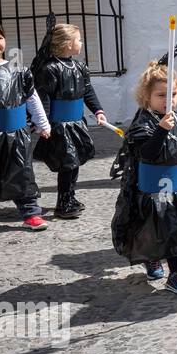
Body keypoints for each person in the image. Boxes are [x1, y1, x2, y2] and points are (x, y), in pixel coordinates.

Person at [110, 56, 177, 293]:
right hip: (150, 190)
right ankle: (176, 273)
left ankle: (155, 257)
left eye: (172, 94)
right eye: (161, 95)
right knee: (160, 227)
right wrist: (161, 131)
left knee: (169, 227)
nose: (167, 100)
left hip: (175, 189)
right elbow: (148, 152)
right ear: (146, 97)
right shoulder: (144, 124)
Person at [0, 18, 50, 231]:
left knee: (21, 171)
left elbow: (31, 98)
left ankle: (31, 212)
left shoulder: (18, 70)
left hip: (15, 134)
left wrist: (42, 122)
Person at [30, 18, 108, 219]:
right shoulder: (49, 69)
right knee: (68, 163)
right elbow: (43, 98)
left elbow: (88, 91)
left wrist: (98, 110)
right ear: (67, 44)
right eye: (79, 39)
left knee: (75, 162)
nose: (81, 43)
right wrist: (43, 122)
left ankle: (70, 197)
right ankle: (63, 202)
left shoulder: (80, 67)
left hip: (76, 123)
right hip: (60, 126)